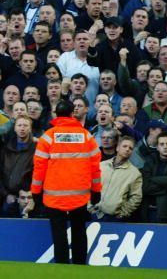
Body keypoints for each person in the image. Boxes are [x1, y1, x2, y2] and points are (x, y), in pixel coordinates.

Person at [31, 100, 101, 265]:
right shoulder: (86, 136)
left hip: (54, 195)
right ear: (72, 113)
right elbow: (95, 167)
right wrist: (96, 190)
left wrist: (35, 192)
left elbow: (39, 169)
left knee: (59, 233)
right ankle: (80, 266)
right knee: (79, 231)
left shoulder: (47, 138)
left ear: (56, 114)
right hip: (80, 195)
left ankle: (62, 267)